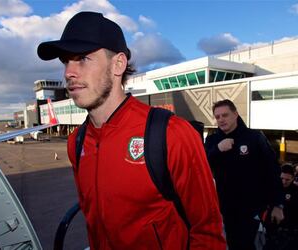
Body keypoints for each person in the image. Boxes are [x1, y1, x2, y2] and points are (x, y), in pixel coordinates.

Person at [38, 11, 226, 250]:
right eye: (66, 61)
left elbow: (208, 233)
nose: (68, 73)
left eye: (83, 58)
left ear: (118, 64)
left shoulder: (171, 134)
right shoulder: (76, 142)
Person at [205, 99, 284, 250]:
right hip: (225, 210)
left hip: (253, 210)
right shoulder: (212, 140)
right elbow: (200, 166)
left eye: (225, 115)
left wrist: (278, 204)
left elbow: (272, 171)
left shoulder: (254, 137)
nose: (221, 120)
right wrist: (217, 150)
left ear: (235, 114)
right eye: (217, 117)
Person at [264, 163, 298, 250]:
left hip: (289, 233)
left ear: (293, 178)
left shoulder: (296, 191)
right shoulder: (272, 187)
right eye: (282, 178)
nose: (284, 182)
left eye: (287, 179)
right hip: (271, 230)